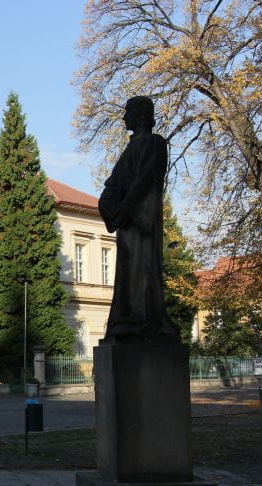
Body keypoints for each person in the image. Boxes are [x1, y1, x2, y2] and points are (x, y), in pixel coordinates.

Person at [98, 96, 179, 343]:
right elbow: (113, 182)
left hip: (141, 220)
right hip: (127, 222)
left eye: (128, 112)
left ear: (142, 117)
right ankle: (128, 319)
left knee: (142, 268)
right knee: (127, 270)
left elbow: (146, 181)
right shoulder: (130, 149)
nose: (124, 117)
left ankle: (143, 320)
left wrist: (125, 209)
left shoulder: (155, 143)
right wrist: (108, 206)